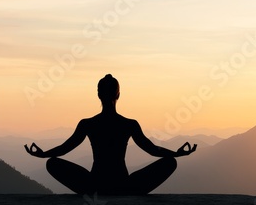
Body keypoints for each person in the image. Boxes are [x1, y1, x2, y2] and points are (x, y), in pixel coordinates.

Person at [24, 74, 196, 195]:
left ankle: (94, 192)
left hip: (94, 185)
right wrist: (176, 154)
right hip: (124, 185)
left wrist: (43, 154)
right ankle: (126, 192)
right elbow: (152, 149)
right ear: (119, 95)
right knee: (169, 163)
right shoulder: (129, 124)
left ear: (98, 95)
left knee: (52, 164)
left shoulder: (88, 124)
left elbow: (64, 148)